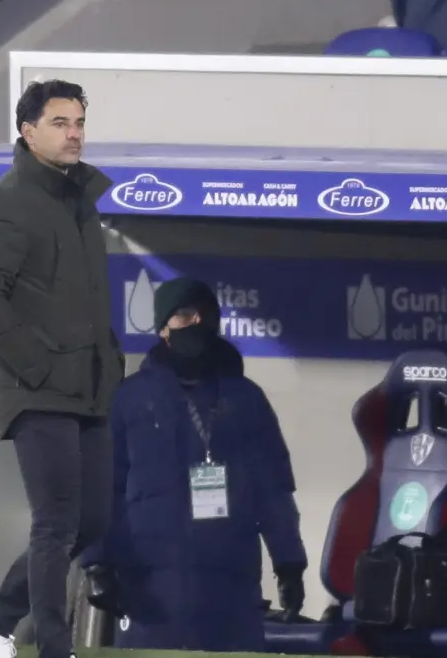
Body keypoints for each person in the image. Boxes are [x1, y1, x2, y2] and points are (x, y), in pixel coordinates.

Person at [0, 79, 124, 658]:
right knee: (56, 522)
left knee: (91, 522)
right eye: (59, 123)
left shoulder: (80, 198)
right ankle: (54, 648)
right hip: (38, 387)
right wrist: (38, 365)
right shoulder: (5, 201)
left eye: (78, 122)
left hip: (89, 388)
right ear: (28, 132)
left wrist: (106, 364)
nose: (73, 133)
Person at [78, 278, 308, 651]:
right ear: (163, 328)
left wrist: (289, 563)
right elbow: (103, 484)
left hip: (231, 586)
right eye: (185, 314)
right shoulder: (129, 399)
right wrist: (96, 562)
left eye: (205, 314)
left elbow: (273, 489)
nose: (197, 322)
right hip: (149, 589)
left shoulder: (246, 399)